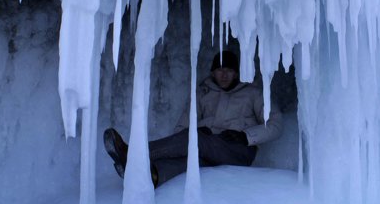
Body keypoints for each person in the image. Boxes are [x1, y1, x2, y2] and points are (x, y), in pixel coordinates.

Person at [104, 50, 283, 188]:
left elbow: (276, 124)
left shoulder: (252, 93)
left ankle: (132, 154)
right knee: (190, 162)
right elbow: (183, 127)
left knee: (195, 140)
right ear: (213, 72)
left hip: (238, 151)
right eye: (220, 70)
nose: (224, 75)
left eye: (229, 70)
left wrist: (246, 136)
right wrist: (193, 134)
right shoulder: (203, 92)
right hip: (209, 149)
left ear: (236, 73)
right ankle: (153, 175)